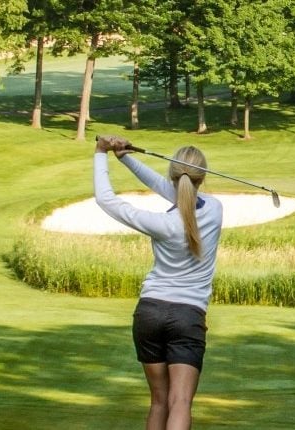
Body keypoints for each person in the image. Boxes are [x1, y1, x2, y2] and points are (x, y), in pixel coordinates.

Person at [94, 135, 223, 430]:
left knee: (159, 401)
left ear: (173, 175)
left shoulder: (161, 224)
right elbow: (177, 192)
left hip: (149, 313)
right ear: (201, 177)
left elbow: (106, 200)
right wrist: (125, 157)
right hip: (188, 316)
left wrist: (103, 153)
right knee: (180, 402)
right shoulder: (215, 210)